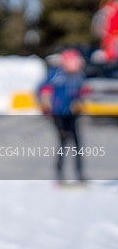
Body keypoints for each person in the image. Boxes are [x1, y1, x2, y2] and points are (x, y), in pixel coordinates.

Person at [37, 48, 87, 183]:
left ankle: (79, 173)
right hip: (58, 113)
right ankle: (59, 173)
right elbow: (42, 88)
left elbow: (80, 90)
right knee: (63, 141)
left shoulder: (78, 75)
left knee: (77, 143)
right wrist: (45, 100)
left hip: (72, 113)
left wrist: (80, 99)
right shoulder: (56, 74)